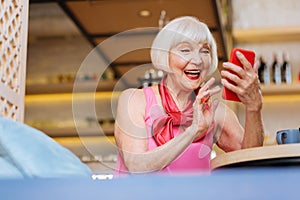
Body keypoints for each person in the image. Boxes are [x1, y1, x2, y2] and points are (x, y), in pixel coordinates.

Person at [113, 16, 264, 176]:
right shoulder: (134, 100)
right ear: (165, 57)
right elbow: (137, 167)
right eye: (185, 50)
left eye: (205, 51)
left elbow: (250, 161)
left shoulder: (215, 112)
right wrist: (192, 132)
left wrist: (254, 106)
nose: (197, 60)